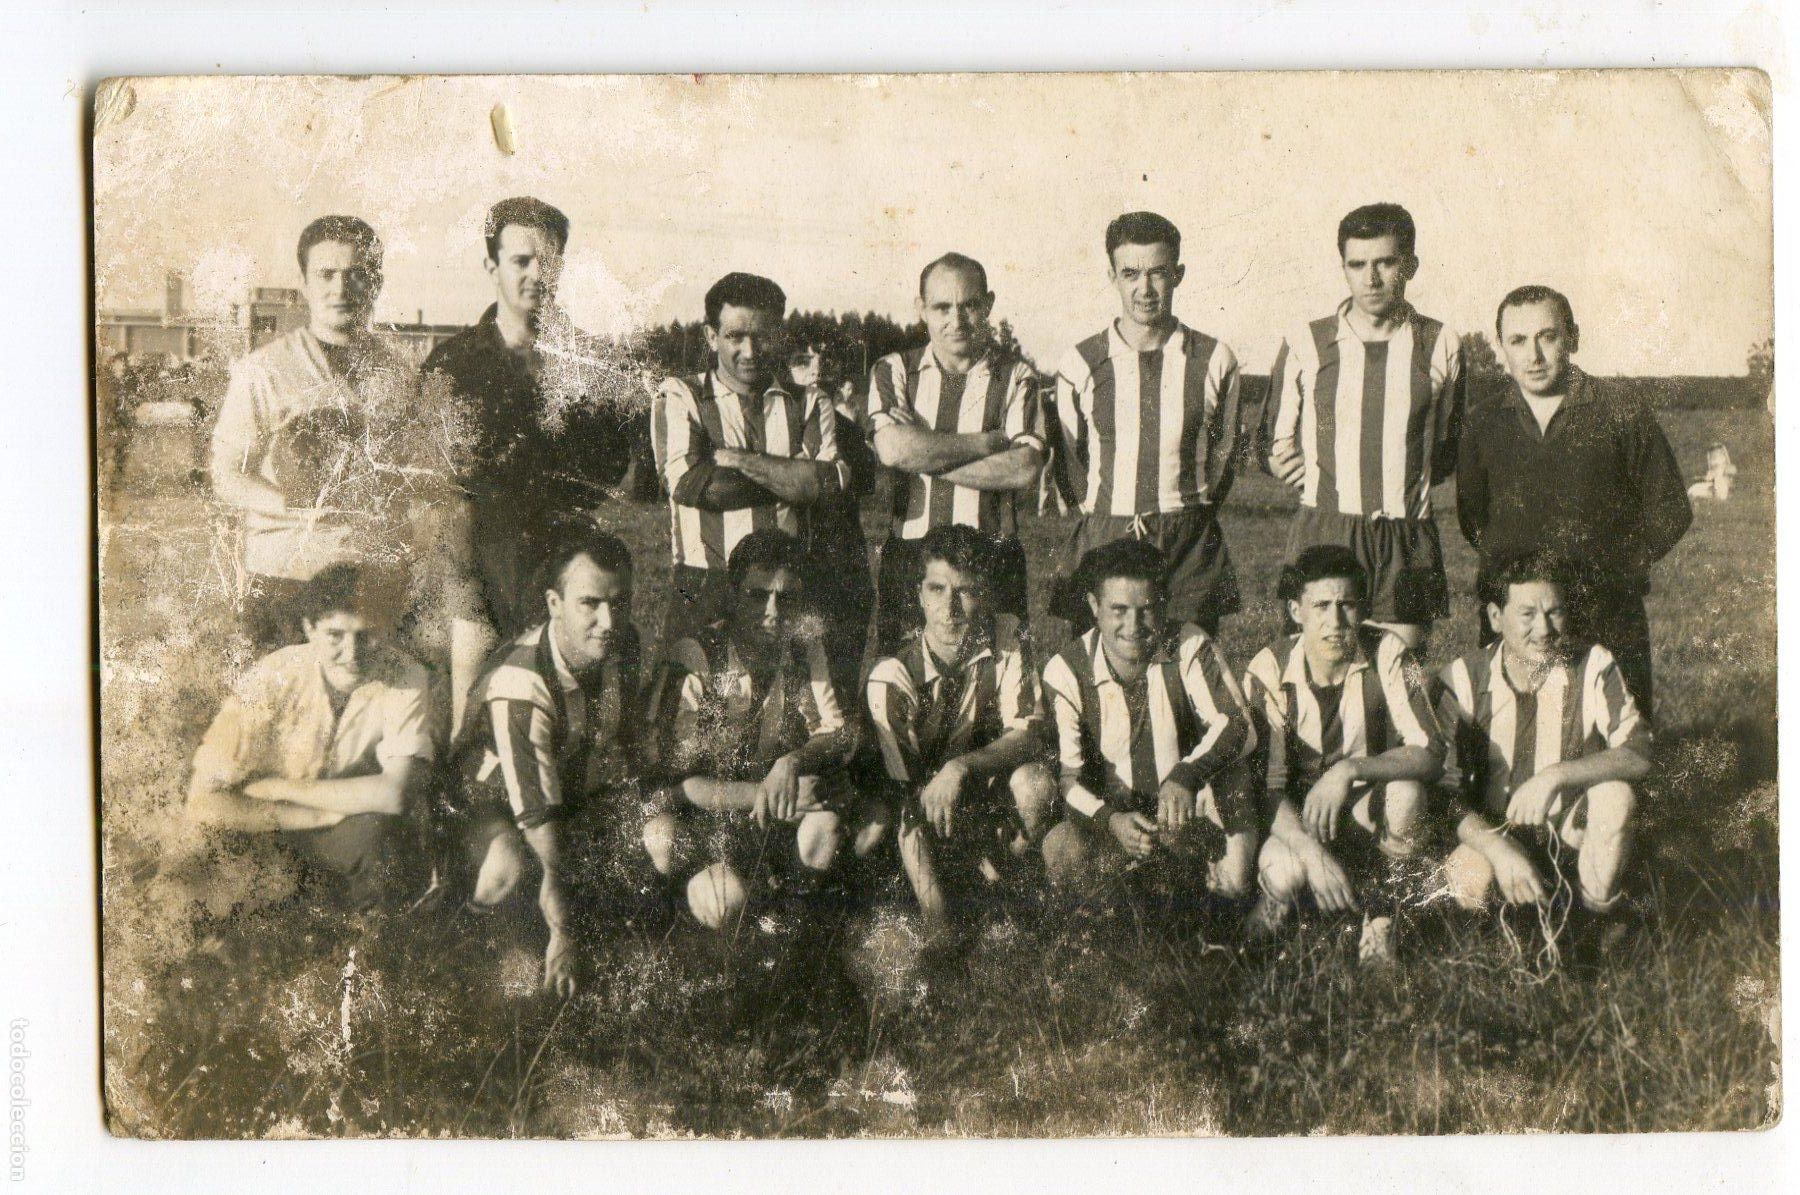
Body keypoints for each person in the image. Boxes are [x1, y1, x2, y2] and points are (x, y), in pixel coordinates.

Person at [421, 197, 635, 733]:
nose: (537, 274)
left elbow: (608, 465)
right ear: (491, 266)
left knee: (567, 708)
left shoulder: (585, 362)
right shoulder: (453, 363)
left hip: (561, 560)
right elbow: (436, 471)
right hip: (477, 562)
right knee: (474, 714)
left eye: (550, 261)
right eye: (522, 261)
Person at [1456, 286, 1692, 716]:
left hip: (1607, 609)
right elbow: (1473, 519)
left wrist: (1618, 565)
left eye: (1548, 337)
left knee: (1618, 743)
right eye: (1518, 341)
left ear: (1573, 338)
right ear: (1501, 348)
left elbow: (1671, 508)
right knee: (1511, 742)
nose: (1534, 355)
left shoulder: (1622, 410)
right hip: (1522, 617)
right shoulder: (1482, 422)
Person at [209, 216, 427, 655]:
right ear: (304, 284)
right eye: (326, 275)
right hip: (289, 573)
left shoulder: (400, 373)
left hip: (371, 574)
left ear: (375, 284)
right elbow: (226, 473)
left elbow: (413, 471)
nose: (340, 289)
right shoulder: (263, 370)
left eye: (355, 275)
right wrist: (294, 502)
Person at [642, 530, 870, 932]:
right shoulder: (697, 654)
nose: (773, 611)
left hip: (760, 813)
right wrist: (766, 793)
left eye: (786, 598)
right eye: (756, 595)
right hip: (699, 816)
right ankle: (678, 914)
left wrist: (792, 761)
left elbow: (836, 731)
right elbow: (677, 781)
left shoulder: (803, 647)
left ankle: (789, 922)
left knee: (828, 824)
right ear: (730, 596)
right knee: (721, 895)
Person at [447, 529, 642, 998]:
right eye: (589, 603)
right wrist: (564, 929)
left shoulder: (624, 643)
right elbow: (537, 819)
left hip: (559, 783)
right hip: (485, 799)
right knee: (506, 868)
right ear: (554, 604)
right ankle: (460, 957)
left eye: (620, 601)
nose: (608, 620)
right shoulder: (521, 682)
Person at [1263, 203, 1465, 650]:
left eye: (1385, 262)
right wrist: (1291, 467)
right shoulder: (1307, 341)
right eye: (1357, 265)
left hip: (1405, 536)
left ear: (1410, 265)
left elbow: (1448, 445)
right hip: (1326, 530)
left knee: (1401, 678)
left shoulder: (1441, 343)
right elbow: (1271, 441)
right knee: (1320, 680)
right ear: (1344, 268)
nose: (1370, 278)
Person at [1435, 552, 1650, 962]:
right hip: (1490, 834)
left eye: (1554, 613)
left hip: (1568, 834)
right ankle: (1493, 942)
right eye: (1528, 614)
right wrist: (1499, 850)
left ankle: (1593, 921)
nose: (1545, 629)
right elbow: (1440, 795)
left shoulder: (1593, 664)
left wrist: (1555, 776)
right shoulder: (1461, 678)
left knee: (1616, 798)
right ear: (1496, 617)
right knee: (1471, 877)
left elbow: (1639, 751)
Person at [185, 563, 436, 910]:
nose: (352, 653)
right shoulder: (273, 675)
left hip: (325, 820)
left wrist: (280, 788)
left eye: (366, 635)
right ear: (309, 628)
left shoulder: (404, 675)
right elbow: (201, 802)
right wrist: (312, 815)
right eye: (335, 636)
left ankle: (367, 947)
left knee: (379, 843)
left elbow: (394, 794)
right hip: (261, 823)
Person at [1241, 546, 1444, 961]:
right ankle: (1269, 922)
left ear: (1363, 608)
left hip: (1363, 809)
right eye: (1321, 606)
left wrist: (1349, 769)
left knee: (1407, 790)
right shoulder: (1267, 668)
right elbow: (1266, 789)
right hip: (1296, 819)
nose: (1335, 622)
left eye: (1347, 605)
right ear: (1296, 611)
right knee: (1286, 871)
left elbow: (1430, 751)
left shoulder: (1389, 651)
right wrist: (1311, 854)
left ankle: (1382, 918)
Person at [1052, 212, 1244, 638]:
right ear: (1112, 276)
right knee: (1102, 673)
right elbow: (1070, 458)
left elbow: (1225, 453)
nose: (1145, 288)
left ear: (1177, 274)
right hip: (1105, 532)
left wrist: (1184, 508)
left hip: (1186, 538)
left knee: (1187, 672)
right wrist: (1106, 508)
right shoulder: (1081, 362)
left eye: (1158, 273)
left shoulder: (1214, 359)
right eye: (1131, 274)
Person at [1039, 538, 1258, 904]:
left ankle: (1206, 911)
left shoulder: (1188, 644)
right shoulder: (1066, 669)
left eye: (1147, 609)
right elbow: (1069, 781)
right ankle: (1104, 925)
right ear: (1094, 606)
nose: (1134, 625)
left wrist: (1187, 774)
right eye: (1118, 609)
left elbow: (1237, 726)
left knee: (1228, 889)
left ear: (1165, 604)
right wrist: (1111, 821)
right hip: (1113, 821)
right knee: (1061, 847)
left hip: (1182, 814)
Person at [866, 524, 1056, 938]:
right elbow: (905, 801)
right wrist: (940, 928)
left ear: (984, 595)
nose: (949, 607)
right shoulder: (893, 674)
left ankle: (999, 891)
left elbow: (1028, 734)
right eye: (937, 589)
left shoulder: (1006, 633)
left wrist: (959, 768)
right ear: (919, 595)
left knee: (1035, 784)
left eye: (965, 591)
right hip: (909, 803)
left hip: (973, 784)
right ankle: (938, 919)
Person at [650, 273, 850, 653]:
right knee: (692, 703)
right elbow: (694, 486)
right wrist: (794, 478)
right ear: (711, 336)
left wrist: (734, 460)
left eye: (762, 335)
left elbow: (822, 487)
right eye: (735, 336)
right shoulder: (681, 394)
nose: (751, 350)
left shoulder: (808, 400)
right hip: (704, 582)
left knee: (784, 705)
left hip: (783, 586)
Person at [867, 253, 1045, 654]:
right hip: (912, 553)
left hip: (992, 551)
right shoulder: (894, 368)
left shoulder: (1016, 375)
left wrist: (924, 454)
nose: (957, 319)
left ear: (989, 305)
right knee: (904, 678)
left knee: (999, 686)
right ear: (921, 309)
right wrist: (987, 442)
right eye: (942, 307)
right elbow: (893, 449)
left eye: (970, 305)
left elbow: (1023, 469)